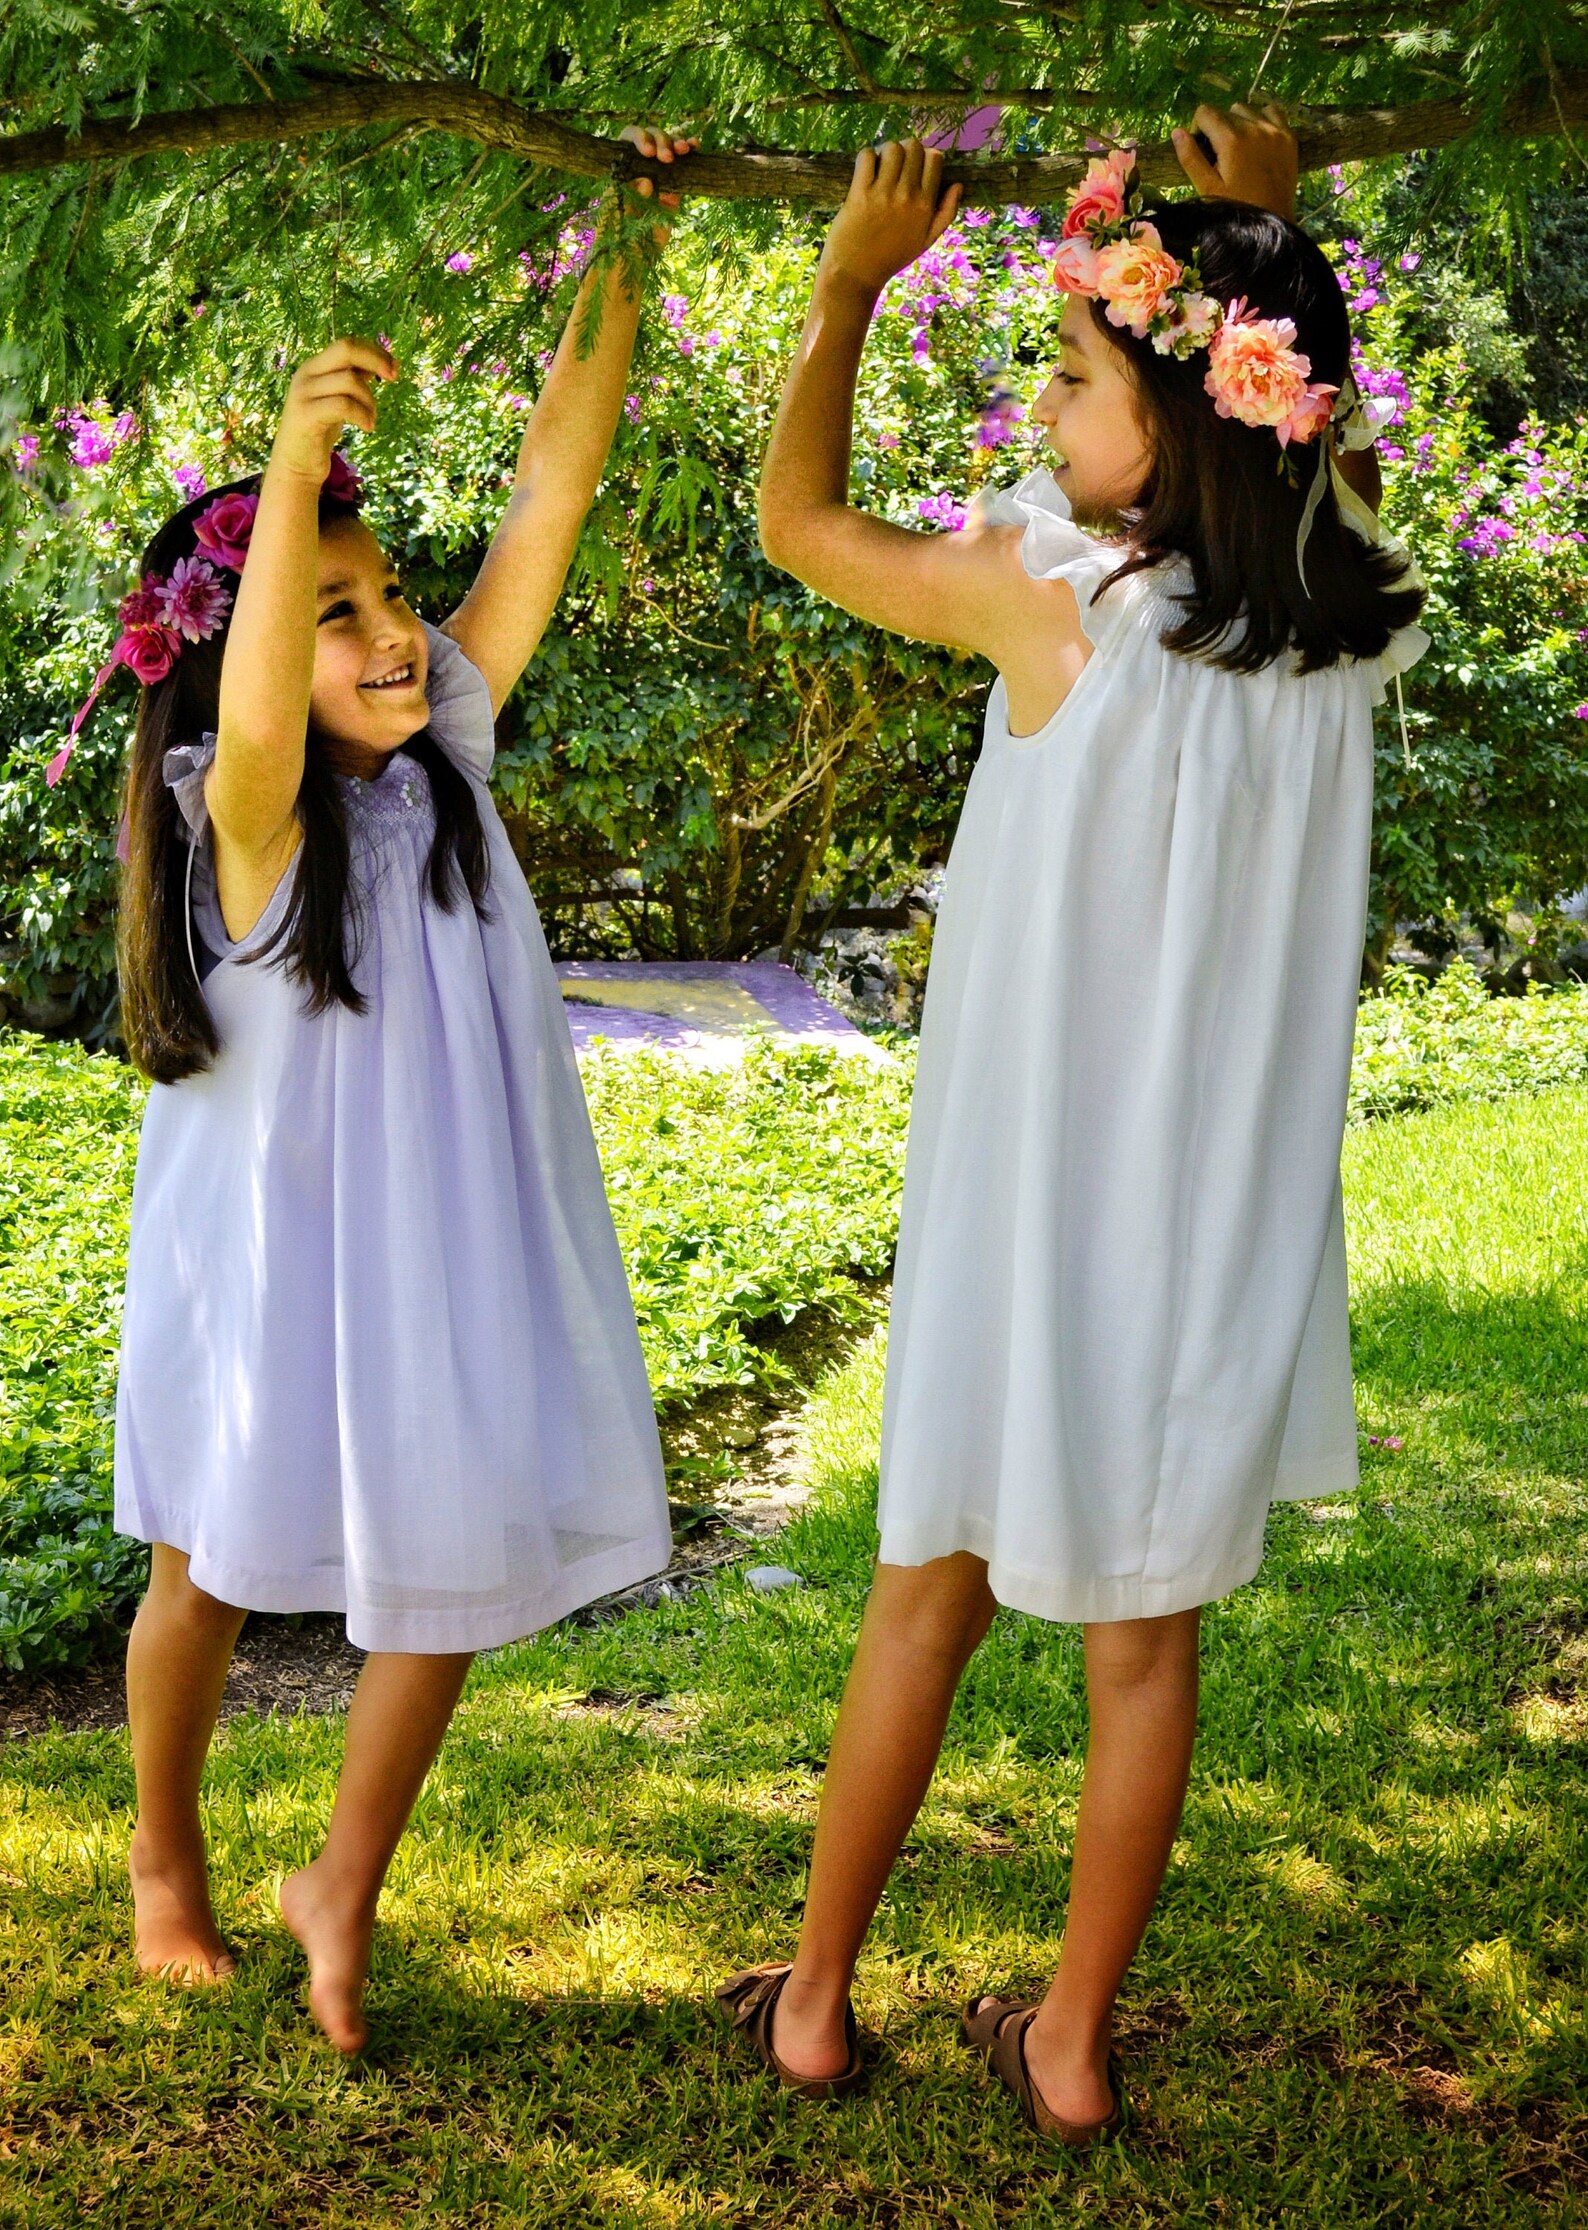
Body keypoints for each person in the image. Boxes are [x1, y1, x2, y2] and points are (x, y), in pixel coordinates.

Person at [722, 107, 1424, 2141]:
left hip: (1025, 1208)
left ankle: (815, 1996)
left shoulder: (1055, 596)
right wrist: (1262, 239)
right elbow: (1300, 450)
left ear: (1177, 416)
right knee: (1143, 1646)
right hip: (1204, 1222)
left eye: (1067, 375)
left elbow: (796, 526)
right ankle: (1063, 2036)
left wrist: (847, 291)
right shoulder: (1340, 623)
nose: (1036, 407)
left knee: (920, 1594)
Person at [96, 128, 695, 2052]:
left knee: (440, 1556)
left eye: (388, 595)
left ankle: (338, 1877)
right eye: (335, 606)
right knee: (199, 1564)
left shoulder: (442, 762)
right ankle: (165, 1854)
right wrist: (287, 473)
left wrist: (626, 247)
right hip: (267, 1267)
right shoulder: (252, 827)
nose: (388, 630)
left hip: (430, 1243)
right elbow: (259, 694)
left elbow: (550, 494)